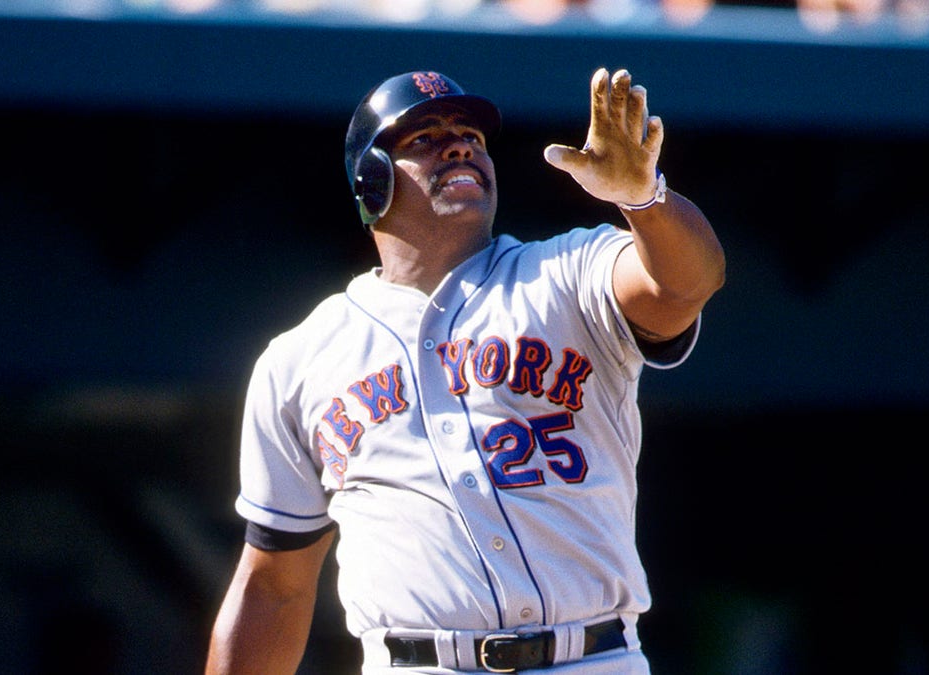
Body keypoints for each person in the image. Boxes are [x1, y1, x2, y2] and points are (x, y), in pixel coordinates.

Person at [205, 67, 725, 674]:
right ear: (370, 181)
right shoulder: (300, 359)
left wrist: (645, 200)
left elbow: (686, 284)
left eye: (471, 137)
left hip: (590, 655)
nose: (458, 144)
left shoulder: (568, 273)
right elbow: (273, 587)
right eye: (423, 138)